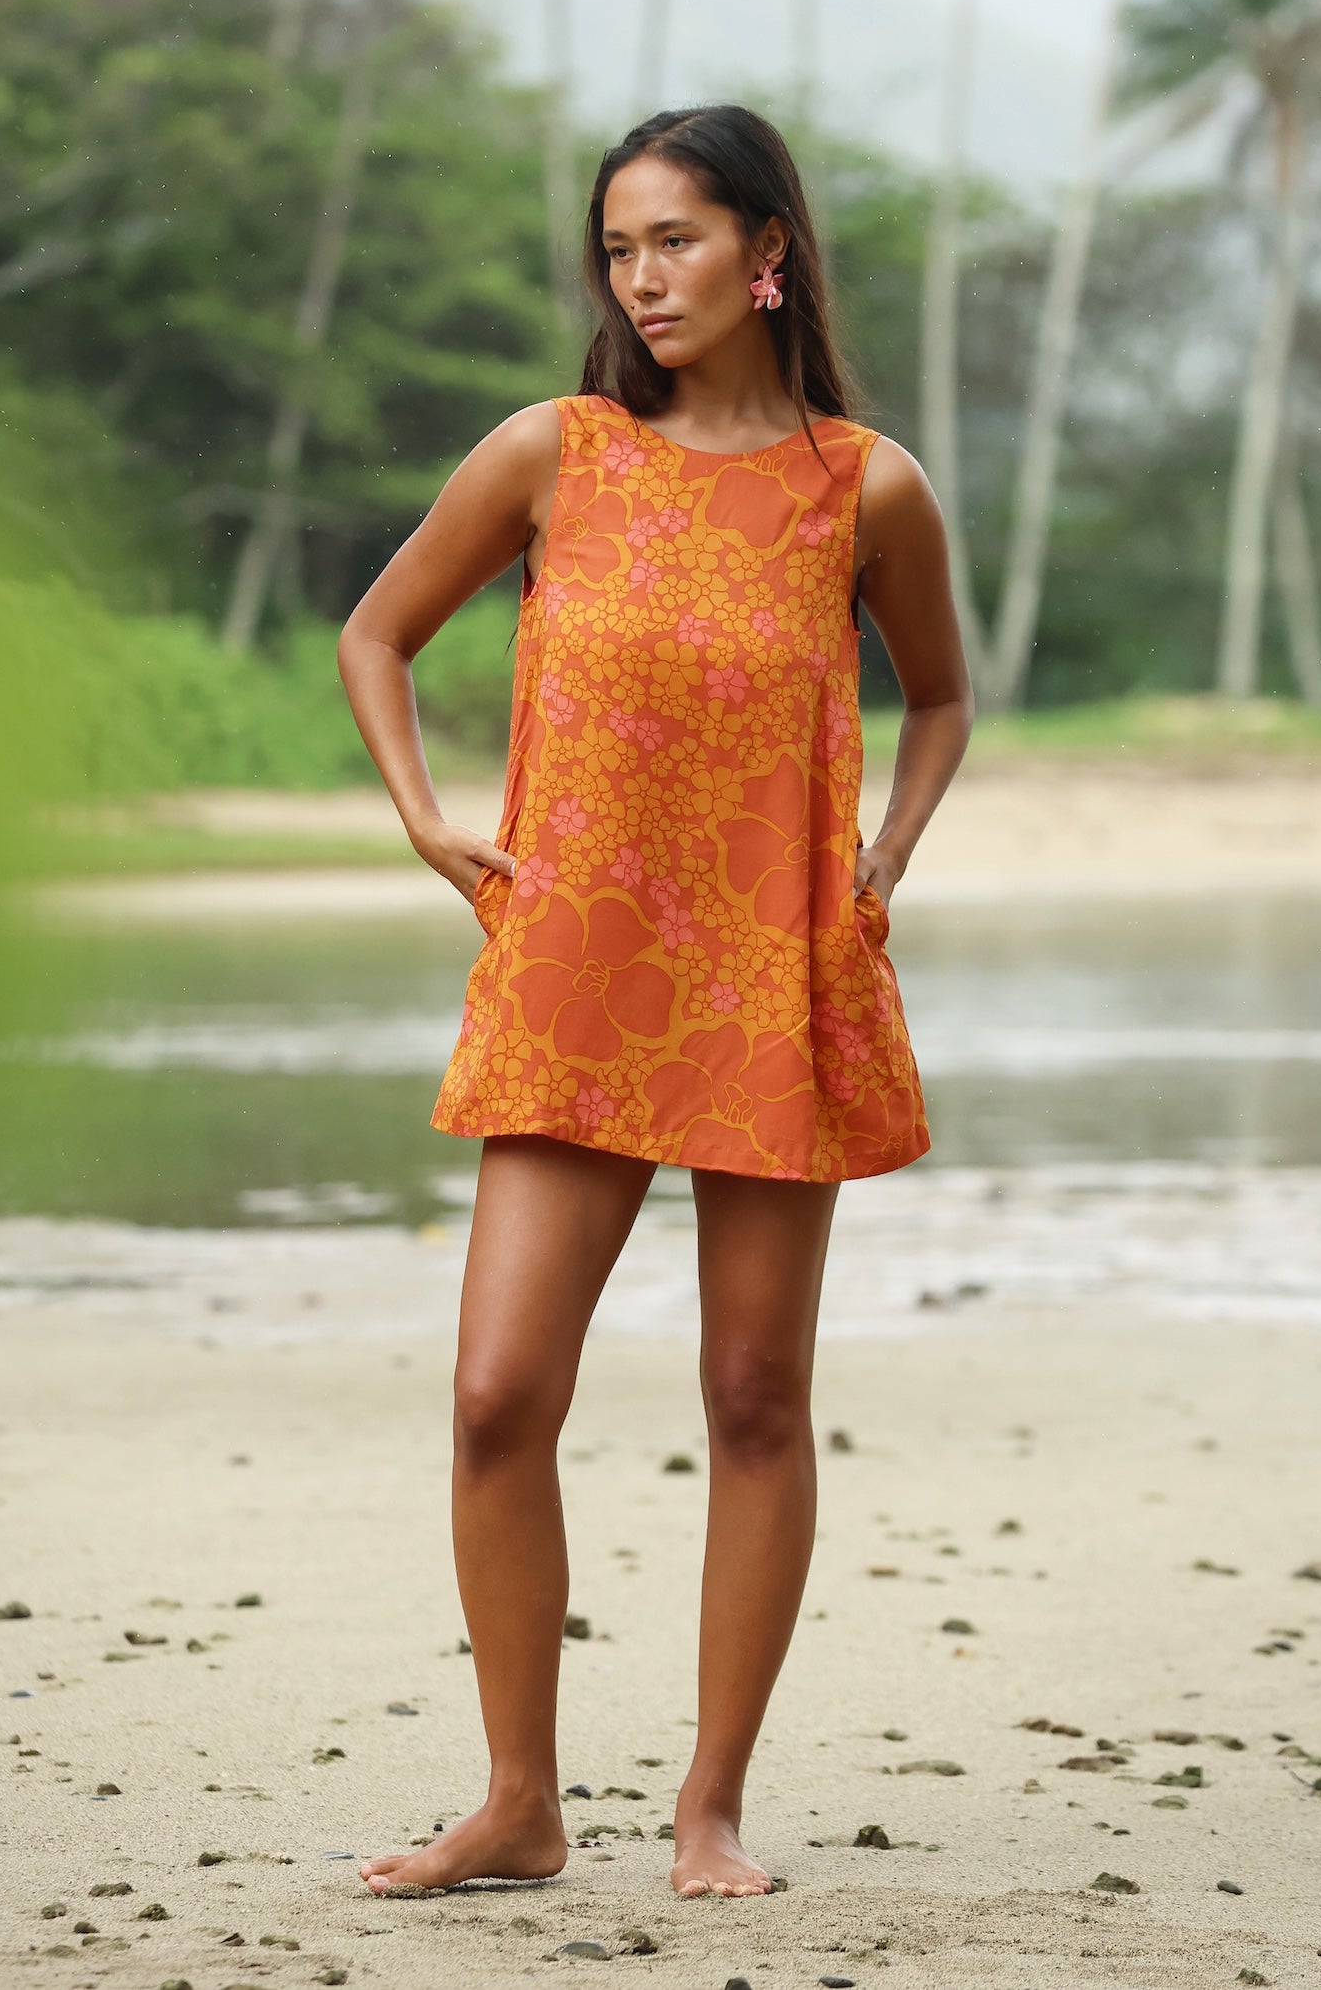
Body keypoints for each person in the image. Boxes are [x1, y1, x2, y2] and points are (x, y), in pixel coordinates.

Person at [337, 103, 971, 1901]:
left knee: (756, 1394)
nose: (641, 278)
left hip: (777, 980)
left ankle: (709, 1807)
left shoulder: (870, 486)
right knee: (493, 1394)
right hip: (573, 980)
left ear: (769, 254)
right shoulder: (554, 454)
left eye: (675, 240)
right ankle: (520, 1802)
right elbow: (378, 631)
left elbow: (940, 700)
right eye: (618, 249)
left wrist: (880, 867)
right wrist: (430, 829)